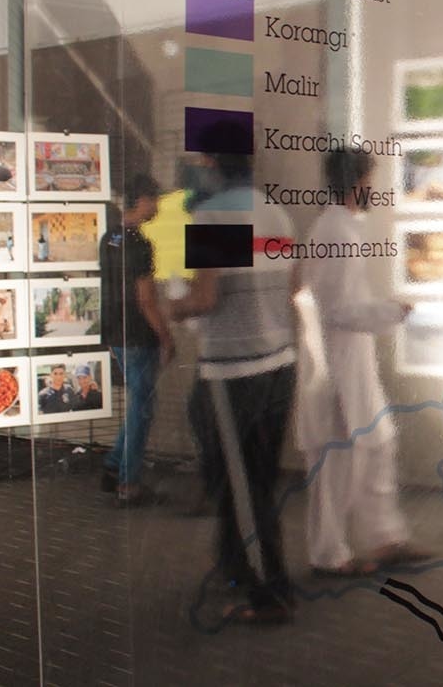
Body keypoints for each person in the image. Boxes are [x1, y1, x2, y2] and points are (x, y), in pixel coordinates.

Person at [171, 121, 297, 624]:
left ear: (211, 162)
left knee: (239, 486)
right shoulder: (276, 212)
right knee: (257, 482)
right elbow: (291, 290)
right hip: (278, 365)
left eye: (198, 160)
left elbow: (204, 297)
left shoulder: (212, 215)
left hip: (232, 372)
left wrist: (167, 307)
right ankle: (237, 571)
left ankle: (270, 593)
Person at [292, 149, 425, 577]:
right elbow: (337, 310)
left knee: (376, 444)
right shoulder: (335, 231)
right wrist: (389, 312)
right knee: (337, 463)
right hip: (334, 367)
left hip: (349, 363)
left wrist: (384, 311)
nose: (375, 188)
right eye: (371, 178)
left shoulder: (342, 228)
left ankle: (383, 538)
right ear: (357, 182)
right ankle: (329, 554)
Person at [99, 173, 174, 507]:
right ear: (141, 200)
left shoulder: (110, 236)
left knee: (136, 405)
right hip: (139, 336)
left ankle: (114, 466)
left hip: (115, 332)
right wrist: (166, 336)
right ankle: (128, 484)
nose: (157, 205)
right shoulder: (140, 244)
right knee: (142, 410)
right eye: (154, 199)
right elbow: (146, 300)